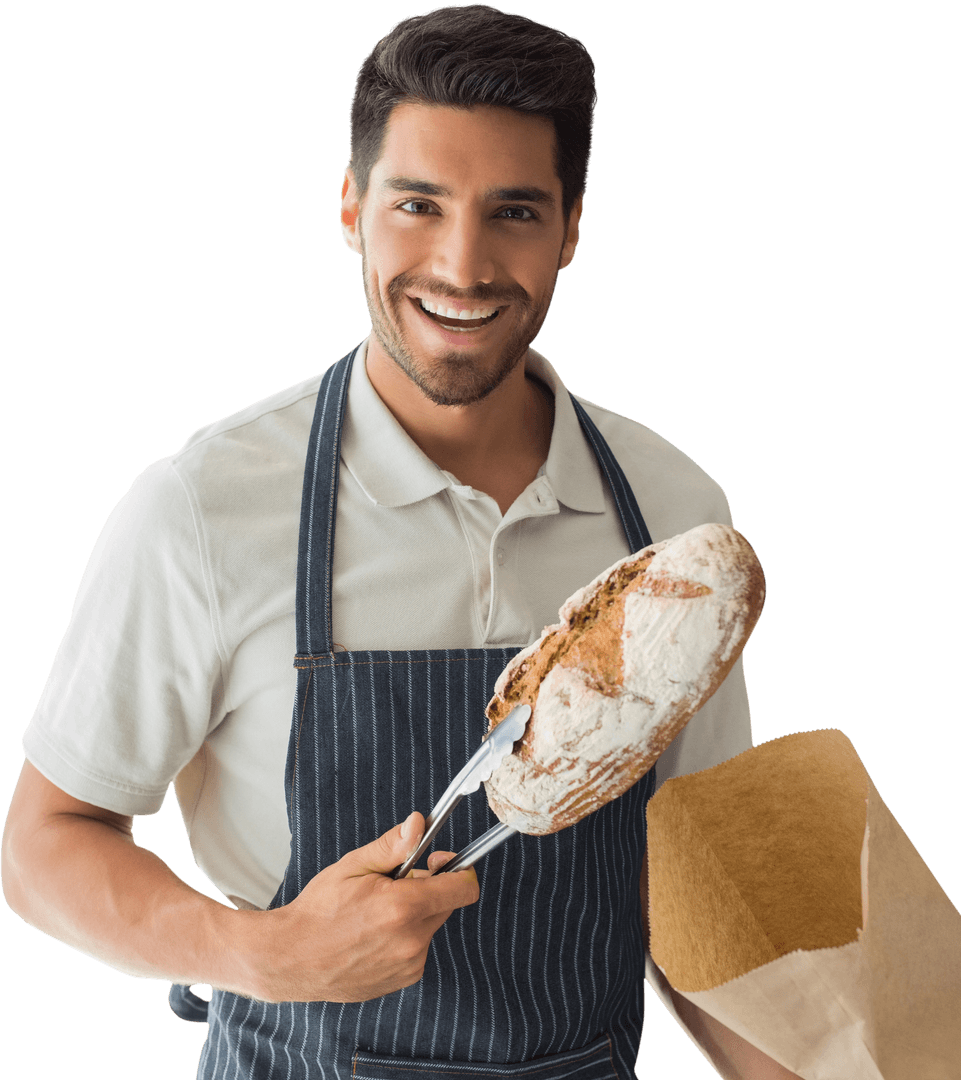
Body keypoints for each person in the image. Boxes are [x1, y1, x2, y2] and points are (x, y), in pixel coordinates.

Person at [2, 6, 794, 1078]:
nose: (462, 266)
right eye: (418, 204)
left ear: (570, 227)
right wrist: (264, 953)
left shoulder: (670, 521)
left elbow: (701, 885)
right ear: (350, 208)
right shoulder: (204, 508)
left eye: (514, 211)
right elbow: (46, 843)